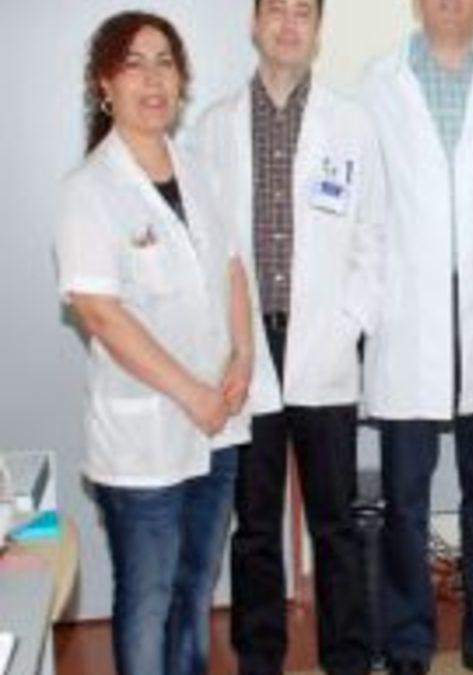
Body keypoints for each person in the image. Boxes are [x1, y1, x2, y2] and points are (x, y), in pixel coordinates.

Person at [53, 11, 252, 675]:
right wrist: (194, 393)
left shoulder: (199, 170)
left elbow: (232, 269)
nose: (153, 78)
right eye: (134, 64)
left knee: (196, 585)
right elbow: (101, 313)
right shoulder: (89, 191)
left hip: (218, 424)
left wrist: (243, 359)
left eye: (165, 62)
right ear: (105, 85)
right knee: (148, 597)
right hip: (147, 437)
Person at [190, 1, 384, 674]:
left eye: (304, 12)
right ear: (255, 22)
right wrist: (225, 339)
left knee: (335, 520)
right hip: (245, 348)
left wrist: (349, 322)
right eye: (277, 9)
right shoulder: (215, 126)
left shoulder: (351, 122)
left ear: (318, 29)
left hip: (323, 344)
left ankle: (348, 658)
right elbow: (204, 244)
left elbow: (374, 235)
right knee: (255, 522)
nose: (289, 24)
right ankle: (259, 657)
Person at [359, 0, 473, 673]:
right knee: (406, 497)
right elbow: (367, 209)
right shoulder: (378, 83)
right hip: (408, 316)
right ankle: (409, 645)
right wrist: (363, 310)